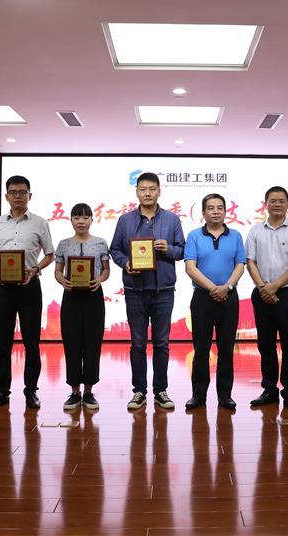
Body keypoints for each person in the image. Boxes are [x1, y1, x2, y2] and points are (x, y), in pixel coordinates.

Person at [109, 172, 185, 410]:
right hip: (135, 290)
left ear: (159, 191)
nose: (148, 193)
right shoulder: (125, 221)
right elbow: (115, 250)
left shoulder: (172, 220)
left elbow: (182, 251)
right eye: (143, 189)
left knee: (162, 343)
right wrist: (126, 263)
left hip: (164, 290)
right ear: (137, 192)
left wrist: (168, 249)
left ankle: (161, 390)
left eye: (152, 189)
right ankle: (139, 391)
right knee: (138, 344)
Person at [0, 175, 54, 411]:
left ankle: (31, 390)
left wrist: (35, 268)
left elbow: (50, 254)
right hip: (2, 288)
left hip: (29, 287)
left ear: (30, 196)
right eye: (13, 192)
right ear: (6, 196)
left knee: (31, 342)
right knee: (3, 342)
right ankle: (1, 391)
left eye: (22, 192)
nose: (18, 196)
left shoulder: (40, 223)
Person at [246, 186, 288, 411]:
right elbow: (250, 262)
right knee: (265, 344)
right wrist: (263, 288)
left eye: (281, 201)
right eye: (273, 200)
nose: (277, 204)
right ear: (266, 204)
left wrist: (275, 286)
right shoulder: (255, 231)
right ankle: (269, 389)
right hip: (261, 292)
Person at [183, 193, 246, 411]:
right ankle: (198, 395)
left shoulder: (235, 236)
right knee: (201, 349)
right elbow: (190, 267)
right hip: (203, 298)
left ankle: (225, 395)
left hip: (229, 297)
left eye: (220, 208)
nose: (216, 211)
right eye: (211, 208)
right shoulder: (194, 236)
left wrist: (226, 287)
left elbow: (240, 265)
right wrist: (213, 288)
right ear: (203, 213)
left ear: (225, 211)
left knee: (226, 348)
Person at [53, 203, 110, 411]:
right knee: (72, 343)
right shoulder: (63, 244)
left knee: (93, 343)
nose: (81, 222)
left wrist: (100, 280)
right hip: (71, 297)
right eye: (77, 217)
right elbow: (58, 271)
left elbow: (106, 270)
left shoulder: (101, 243)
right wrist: (63, 281)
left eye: (85, 218)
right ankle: (75, 392)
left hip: (94, 297)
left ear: (92, 220)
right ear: (71, 220)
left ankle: (89, 391)